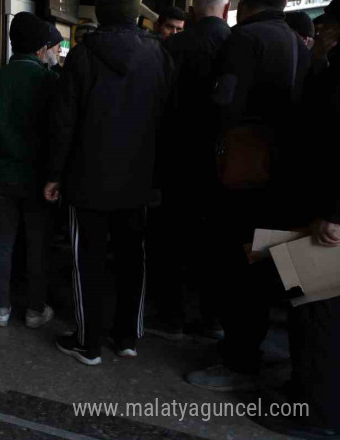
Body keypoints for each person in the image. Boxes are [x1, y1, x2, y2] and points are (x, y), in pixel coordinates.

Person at [185, 0, 312, 392]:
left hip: (242, 176)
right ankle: (257, 351)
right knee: (263, 264)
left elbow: (223, 105)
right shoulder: (296, 42)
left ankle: (239, 360)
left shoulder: (246, 39)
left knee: (236, 267)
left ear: (244, 5)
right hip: (285, 176)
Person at [44, 0, 174, 365]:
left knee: (88, 260)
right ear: (136, 16)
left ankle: (88, 342)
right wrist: (158, 178)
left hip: (87, 181)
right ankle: (127, 336)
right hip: (138, 181)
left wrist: (55, 174)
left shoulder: (83, 56)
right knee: (134, 259)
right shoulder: (159, 56)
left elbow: (63, 122)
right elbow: (169, 123)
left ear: (101, 14)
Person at [254, 6, 340, 438]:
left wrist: (335, 213)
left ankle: (319, 413)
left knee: (319, 316)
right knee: (307, 311)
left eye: (330, 23)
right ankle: (305, 390)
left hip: (322, 214)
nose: (322, 28)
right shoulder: (330, 65)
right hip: (310, 208)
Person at [146, 0, 232, 341]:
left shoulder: (176, 47)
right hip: (224, 165)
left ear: (195, 8)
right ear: (225, 8)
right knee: (213, 245)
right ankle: (212, 317)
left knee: (172, 242)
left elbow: (158, 108)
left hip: (176, 162)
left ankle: (172, 316)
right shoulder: (236, 42)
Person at [0, 12, 61, 328]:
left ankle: (0, 308)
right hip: (38, 180)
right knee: (37, 244)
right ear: (40, 48)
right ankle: (35, 309)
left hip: (0, 177)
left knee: (1, 242)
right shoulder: (50, 82)